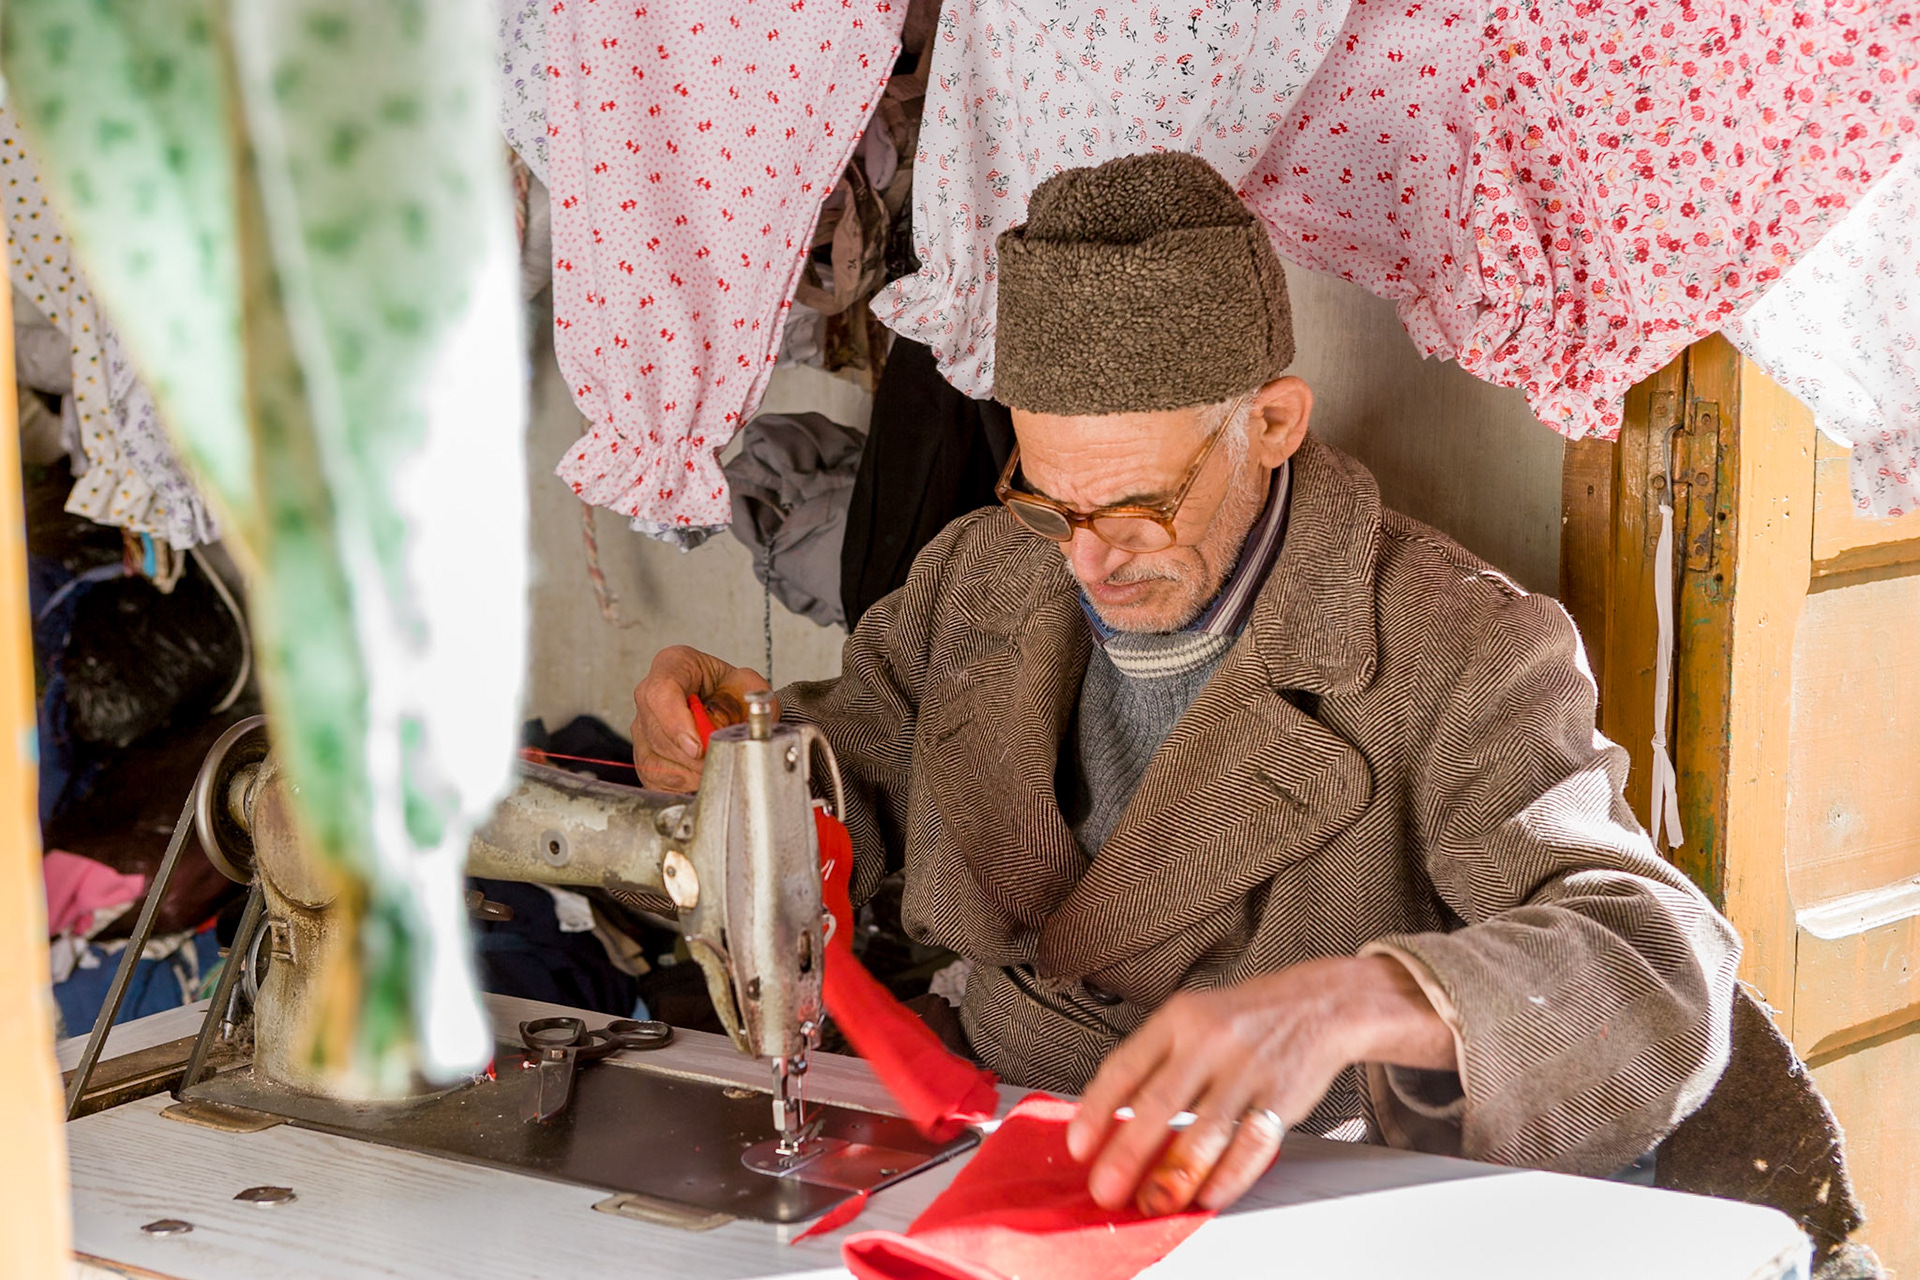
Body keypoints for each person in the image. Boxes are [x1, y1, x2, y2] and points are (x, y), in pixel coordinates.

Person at [628, 153, 1801, 1231]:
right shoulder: (982, 572)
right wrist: (744, 760)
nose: (1090, 557)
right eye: (1052, 499)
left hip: (1294, 1190)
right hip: (1000, 1135)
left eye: (1142, 504)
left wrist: (1362, 997)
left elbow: (1653, 968)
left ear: (1274, 422)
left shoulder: (1462, 645)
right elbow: (860, 774)